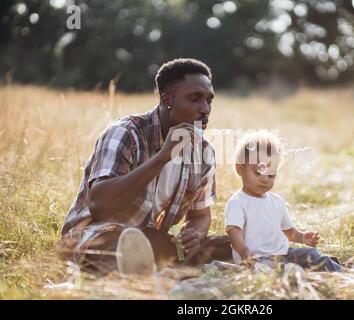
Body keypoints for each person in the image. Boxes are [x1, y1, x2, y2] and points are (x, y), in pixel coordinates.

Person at [60, 58, 231, 276]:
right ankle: (156, 275)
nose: (204, 109)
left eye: (209, 101)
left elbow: (200, 216)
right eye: (195, 99)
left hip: (151, 240)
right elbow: (99, 205)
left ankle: (157, 271)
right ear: (168, 100)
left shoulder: (204, 153)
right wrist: (162, 157)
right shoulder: (126, 133)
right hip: (96, 235)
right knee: (118, 246)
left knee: (234, 243)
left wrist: (194, 235)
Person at [225, 131, 341, 272]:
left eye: (271, 175)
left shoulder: (276, 201)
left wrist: (303, 237)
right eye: (259, 172)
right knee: (269, 269)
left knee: (313, 255)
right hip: (256, 258)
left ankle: (346, 272)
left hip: (284, 254)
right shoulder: (237, 202)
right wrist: (244, 253)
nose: (265, 179)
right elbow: (234, 232)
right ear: (240, 169)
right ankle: (289, 271)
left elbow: (289, 231)